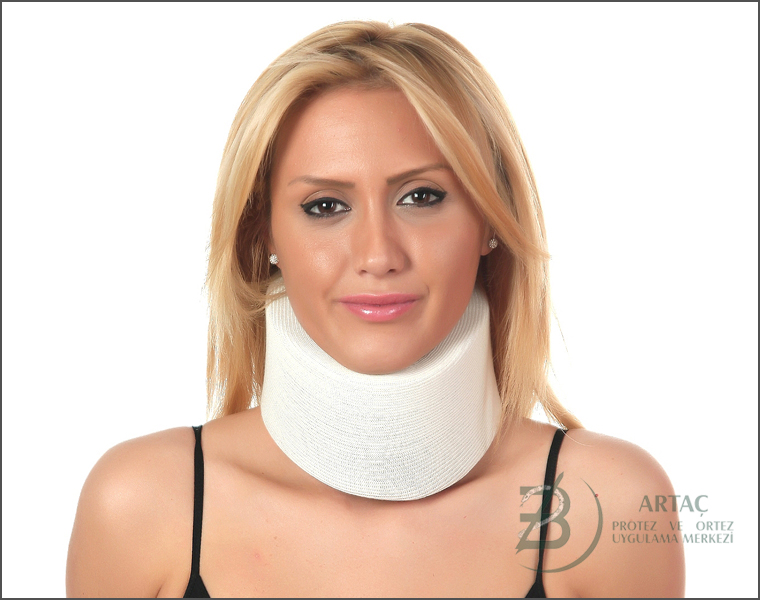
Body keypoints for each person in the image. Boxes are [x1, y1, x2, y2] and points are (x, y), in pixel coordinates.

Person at [66, 21, 685, 597]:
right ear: (263, 234)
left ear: (491, 220)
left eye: (422, 196)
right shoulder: (142, 507)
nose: (378, 255)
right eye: (325, 206)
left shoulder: (610, 507)